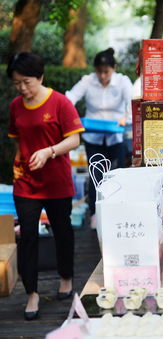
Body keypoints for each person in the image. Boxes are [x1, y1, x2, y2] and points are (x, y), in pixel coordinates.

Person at [7, 52, 84, 320]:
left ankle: (65, 277)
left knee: (62, 231)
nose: (23, 89)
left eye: (27, 82)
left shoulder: (60, 103)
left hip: (56, 182)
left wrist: (49, 151)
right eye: (17, 83)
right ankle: (32, 294)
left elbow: (73, 140)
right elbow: (18, 139)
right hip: (26, 182)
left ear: (40, 76)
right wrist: (19, 159)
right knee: (27, 236)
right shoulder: (16, 105)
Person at [66, 48, 132, 228]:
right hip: (93, 136)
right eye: (99, 72)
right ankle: (95, 214)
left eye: (106, 72)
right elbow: (69, 98)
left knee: (117, 174)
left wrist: (126, 117)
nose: (102, 76)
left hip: (115, 135)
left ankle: (118, 212)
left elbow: (132, 104)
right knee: (96, 175)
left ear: (114, 68)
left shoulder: (123, 82)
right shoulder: (88, 81)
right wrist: (68, 115)